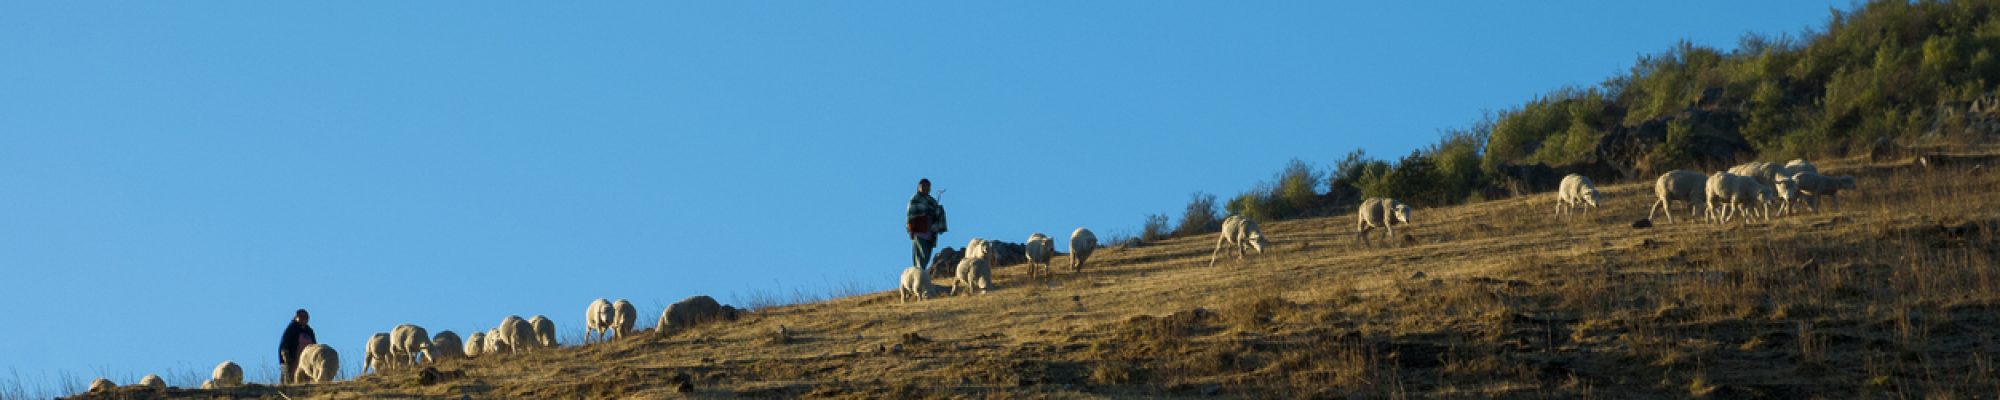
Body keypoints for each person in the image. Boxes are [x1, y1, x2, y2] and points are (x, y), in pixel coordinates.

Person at [906, 178, 948, 272]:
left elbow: (937, 212)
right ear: (919, 187)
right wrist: (910, 229)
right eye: (923, 186)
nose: (926, 188)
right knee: (919, 254)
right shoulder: (915, 199)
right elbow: (910, 215)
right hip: (919, 230)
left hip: (930, 232)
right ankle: (918, 273)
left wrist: (938, 212)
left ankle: (922, 271)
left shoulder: (931, 201)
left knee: (926, 255)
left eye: (928, 187)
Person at [277, 309, 317, 384]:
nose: (304, 319)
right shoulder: (291, 329)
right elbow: (284, 343)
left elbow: (314, 345)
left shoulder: (309, 331)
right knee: (289, 381)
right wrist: (285, 355)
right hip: (292, 360)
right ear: (296, 317)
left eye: (306, 317)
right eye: (301, 317)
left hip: (306, 361)